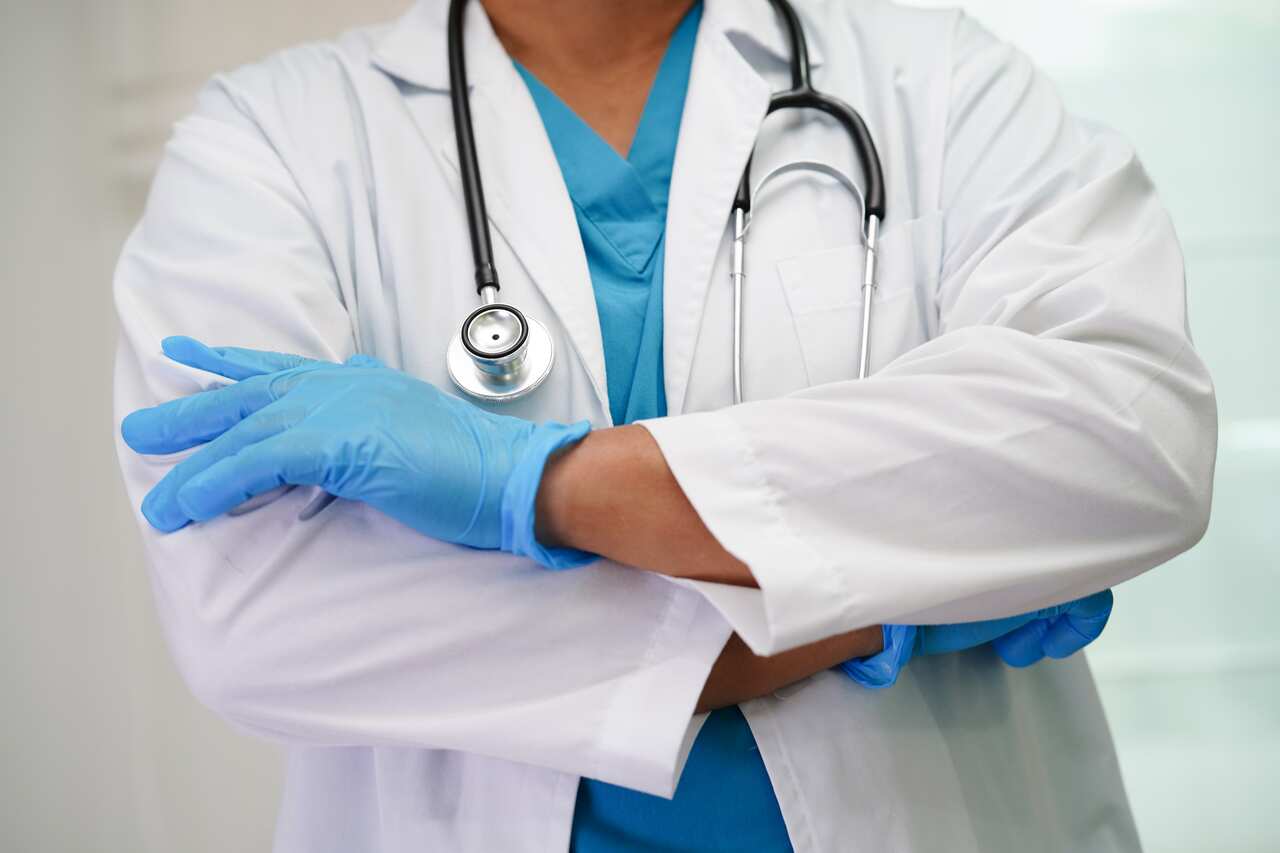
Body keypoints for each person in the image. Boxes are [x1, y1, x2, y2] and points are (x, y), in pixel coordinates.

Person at [112, 0, 1216, 850]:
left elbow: (1128, 431)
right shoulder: (272, 139)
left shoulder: (939, 79)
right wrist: (881, 604)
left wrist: (535, 484)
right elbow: (260, 617)